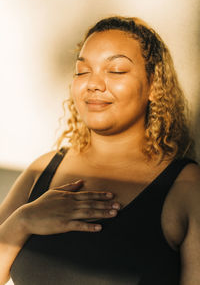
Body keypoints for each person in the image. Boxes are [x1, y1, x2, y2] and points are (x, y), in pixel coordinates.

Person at [0, 16, 199, 285]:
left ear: (154, 84)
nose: (93, 84)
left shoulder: (185, 186)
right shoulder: (42, 169)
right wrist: (22, 222)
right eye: (82, 71)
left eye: (115, 70)